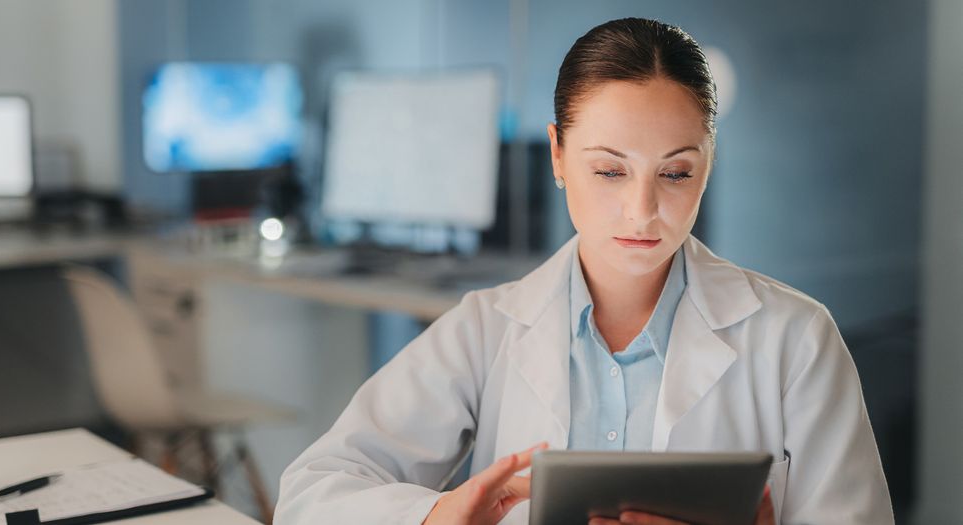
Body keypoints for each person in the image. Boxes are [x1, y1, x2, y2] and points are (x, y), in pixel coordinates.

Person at [275, 17, 894, 525]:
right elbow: (312, 492)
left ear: (708, 164)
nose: (642, 211)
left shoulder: (797, 339)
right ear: (558, 156)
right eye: (609, 170)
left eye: (675, 173)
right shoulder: (485, 330)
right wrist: (439, 516)